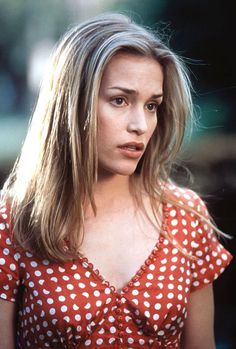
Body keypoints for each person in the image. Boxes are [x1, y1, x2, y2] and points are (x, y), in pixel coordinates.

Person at [0, 13, 232, 349]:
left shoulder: (185, 217)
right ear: (72, 104)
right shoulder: (12, 222)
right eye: (120, 100)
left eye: (152, 105)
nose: (140, 124)